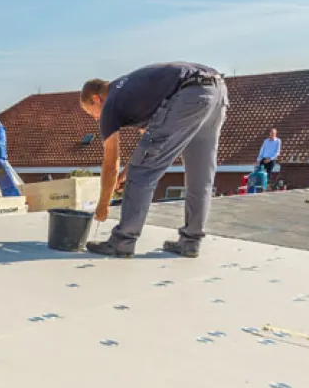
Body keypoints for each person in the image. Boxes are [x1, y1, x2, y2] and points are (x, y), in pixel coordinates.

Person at [79, 62, 227, 258]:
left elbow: (111, 163)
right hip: (217, 93)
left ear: (96, 99)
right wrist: (127, 172)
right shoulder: (134, 90)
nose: (96, 119)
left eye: (92, 113)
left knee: (143, 172)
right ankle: (190, 242)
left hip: (189, 95)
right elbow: (149, 141)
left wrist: (103, 204)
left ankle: (123, 241)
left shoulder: (111, 103)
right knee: (200, 175)